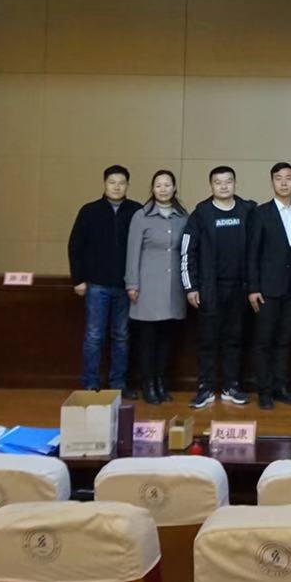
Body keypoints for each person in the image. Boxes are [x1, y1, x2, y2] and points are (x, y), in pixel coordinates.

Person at [182, 166, 256, 410]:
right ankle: (205, 388)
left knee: (234, 339)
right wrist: (191, 287)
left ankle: (231, 386)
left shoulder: (247, 211)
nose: (224, 186)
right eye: (218, 182)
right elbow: (187, 252)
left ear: (235, 184)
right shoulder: (201, 213)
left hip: (239, 288)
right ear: (211, 185)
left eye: (228, 181)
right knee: (208, 340)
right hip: (209, 289)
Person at [68, 165, 143, 393]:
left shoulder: (136, 211)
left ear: (128, 185)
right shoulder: (90, 211)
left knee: (122, 336)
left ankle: (118, 384)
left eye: (121, 183)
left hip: (126, 286)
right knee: (94, 336)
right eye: (112, 182)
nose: (117, 187)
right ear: (104, 184)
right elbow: (75, 246)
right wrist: (78, 279)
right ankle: (90, 384)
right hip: (96, 285)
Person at [246, 162, 291, 411]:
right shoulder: (260, 213)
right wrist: (253, 288)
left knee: (285, 341)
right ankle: (264, 391)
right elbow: (252, 253)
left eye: (288, 178)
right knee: (264, 342)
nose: (284, 182)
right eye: (278, 178)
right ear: (272, 182)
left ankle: (281, 388)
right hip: (266, 290)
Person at [125, 169, 188, 405]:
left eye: (167, 185)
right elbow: (132, 252)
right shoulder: (141, 216)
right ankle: (148, 384)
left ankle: (162, 382)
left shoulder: (183, 217)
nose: (163, 189)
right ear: (152, 189)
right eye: (158, 185)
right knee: (147, 340)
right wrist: (132, 283)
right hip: (147, 287)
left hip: (174, 288)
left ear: (174, 188)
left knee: (167, 339)